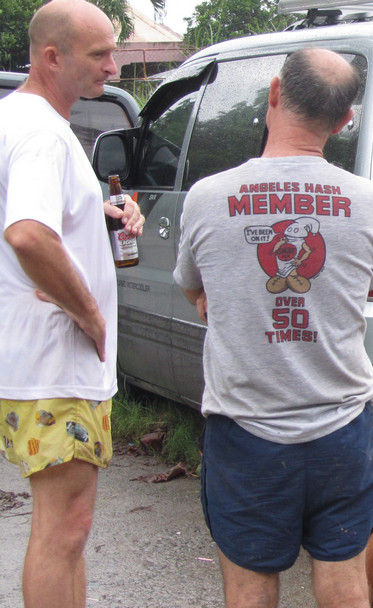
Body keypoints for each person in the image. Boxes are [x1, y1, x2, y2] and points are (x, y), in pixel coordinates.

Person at [172, 48, 373, 608]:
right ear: (344, 120)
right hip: (342, 428)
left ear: (273, 93)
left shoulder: (207, 196)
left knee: (249, 587)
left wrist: (225, 305)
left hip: (246, 429)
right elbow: (359, 288)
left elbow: (194, 287)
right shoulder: (368, 201)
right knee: (346, 581)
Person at [0, 1, 145, 606]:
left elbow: (40, 221)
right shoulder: (41, 133)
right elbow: (28, 234)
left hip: (39, 362)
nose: (114, 67)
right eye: (100, 54)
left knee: (68, 530)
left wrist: (101, 213)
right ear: (52, 57)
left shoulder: (21, 119)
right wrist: (89, 312)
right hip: (54, 364)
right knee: (65, 529)